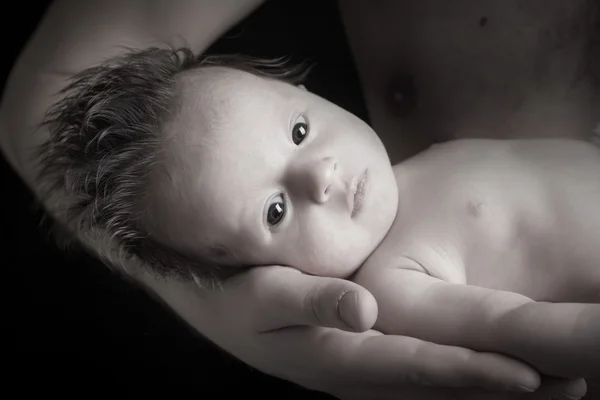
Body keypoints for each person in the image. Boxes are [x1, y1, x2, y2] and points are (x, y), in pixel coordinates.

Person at [0, 1, 594, 399]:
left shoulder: (435, 163)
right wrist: (214, 310)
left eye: (300, 131)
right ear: (259, 271)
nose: (322, 176)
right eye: (275, 212)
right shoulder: (395, 285)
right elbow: (519, 324)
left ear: (301, 89)